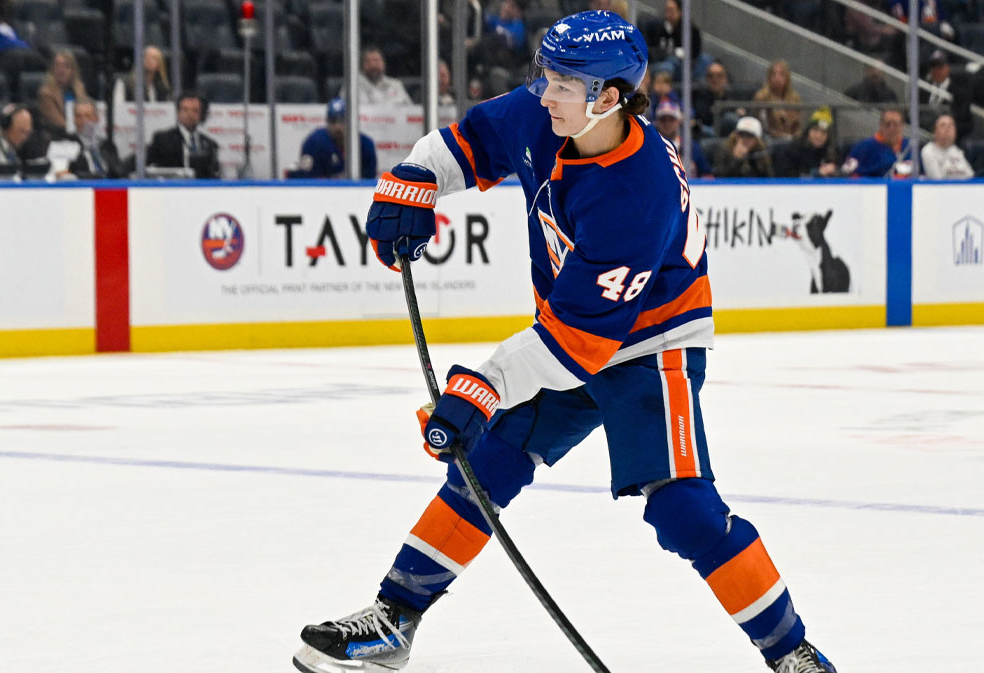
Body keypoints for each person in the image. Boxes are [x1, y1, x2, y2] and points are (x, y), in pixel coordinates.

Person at [292, 10, 836, 673]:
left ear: (609, 98)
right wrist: (415, 181)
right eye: (544, 76)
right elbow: (464, 143)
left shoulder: (639, 192)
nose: (543, 93)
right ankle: (393, 618)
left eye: (562, 84)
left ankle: (793, 653)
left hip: (650, 340)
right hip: (568, 328)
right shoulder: (546, 113)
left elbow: (576, 343)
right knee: (485, 463)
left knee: (684, 512)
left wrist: (485, 383)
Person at [288, 98, 378, 179]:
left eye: (342, 121)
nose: (337, 126)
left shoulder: (366, 145)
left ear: (352, 121)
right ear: (327, 121)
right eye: (333, 121)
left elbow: (369, 182)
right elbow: (308, 181)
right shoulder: (314, 143)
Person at [146, 92, 221, 179]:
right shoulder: (163, 139)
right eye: (185, 110)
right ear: (178, 113)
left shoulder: (210, 144)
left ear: (201, 115)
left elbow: (214, 175)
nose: (189, 114)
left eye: (195, 111)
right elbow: (146, 166)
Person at [49, 100, 124, 179]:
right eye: (78, 116)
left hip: (109, 189)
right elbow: (60, 175)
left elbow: (117, 172)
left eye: (88, 116)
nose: (83, 120)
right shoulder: (64, 143)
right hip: (80, 189)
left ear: (96, 119)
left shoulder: (107, 145)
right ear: (74, 120)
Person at [919, 50, 973, 141]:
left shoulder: (960, 93)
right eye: (933, 67)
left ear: (947, 68)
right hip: (924, 132)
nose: (936, 70)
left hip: (950, 136)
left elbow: (964, 120)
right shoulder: (924, 89)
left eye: (940, 67)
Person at [843, 108, 912, 177]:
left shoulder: (909, 147)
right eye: (887, 124)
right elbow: (847, 171)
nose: (892, 129)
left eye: (895, 125)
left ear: (902, 126)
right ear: (881, 126)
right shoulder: (864, 147)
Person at [640, 0, 703, 77]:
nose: (668, 14)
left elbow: (696, 52)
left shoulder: (691, 30)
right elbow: (652, 51)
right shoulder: (659, 27)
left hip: (686, 63)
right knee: (671, 63)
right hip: (663, 62)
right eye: (667, 10)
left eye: (672, 10)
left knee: (705, 60)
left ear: (680, 12)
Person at [652, 99, 713, 177]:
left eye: (671, 120)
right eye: (663, 120)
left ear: (679, 121)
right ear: (657, 122)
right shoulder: (652, 147)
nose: (667, 124)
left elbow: (707, 175)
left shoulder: (691, 147)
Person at [38, 50, 91, 135]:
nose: (61, 70)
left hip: (79, 133)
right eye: (58, 66)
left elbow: (87, 112)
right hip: (57, 135)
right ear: (52, 70)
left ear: (73, 70)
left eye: (66, 66)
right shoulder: (46, 93)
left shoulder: (79, 88)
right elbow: (58, 122)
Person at [340, 46, 413, 106]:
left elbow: (411, 110)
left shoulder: (396, 84)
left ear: (383, 63)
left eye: (376, 60)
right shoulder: (351, 86)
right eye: (368, 61)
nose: (373, 65)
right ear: (362, 66)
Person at [773, 113, 841, 178]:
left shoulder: (832, 152)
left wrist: (835, 171)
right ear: (807, 132)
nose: (818, 136)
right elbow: (788, 178)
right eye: (815, 130)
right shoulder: (791, 151)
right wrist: (817, 173)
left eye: (823, 132)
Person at [709, 116, 773, 178]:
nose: (744, 139)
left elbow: (767, 179)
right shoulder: (725, 150)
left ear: (757, 140)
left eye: (749, 136)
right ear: (736, 136)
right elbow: (719, 176)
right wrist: (737, 160)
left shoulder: (761, 153)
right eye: (741, 135)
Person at [752, 60, 802, 140]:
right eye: (774, 74)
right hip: (769, 137)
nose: (777, 78)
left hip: (791, 138)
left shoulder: (795, 98)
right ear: (769, 77)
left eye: (781, 74)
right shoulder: (762, 97)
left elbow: (798, 126)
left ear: (787, 77)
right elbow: (762, 126)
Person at [920, 114, 974, 179]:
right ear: (935, 132)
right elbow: (937, 180)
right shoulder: (928, 150)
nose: (948, 128)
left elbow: (970, 176)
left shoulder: (956, 150)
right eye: (943, 125)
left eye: (951, 125)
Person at [692, 61, 735, 135]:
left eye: (719, 76)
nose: (715, 79)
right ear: (706, 79)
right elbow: (704, 117)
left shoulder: (732, 94)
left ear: (726, 79)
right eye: (711, 76)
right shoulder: (699, 94)